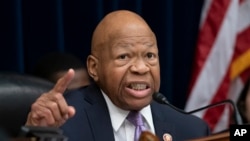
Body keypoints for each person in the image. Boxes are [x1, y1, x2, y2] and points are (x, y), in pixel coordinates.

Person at [25, 10, 210, 141]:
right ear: (94, 68)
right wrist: (37, 133)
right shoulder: (61, 125)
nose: (141, 68)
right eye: (124, 56)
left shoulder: (192, 129)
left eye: (149, 56)